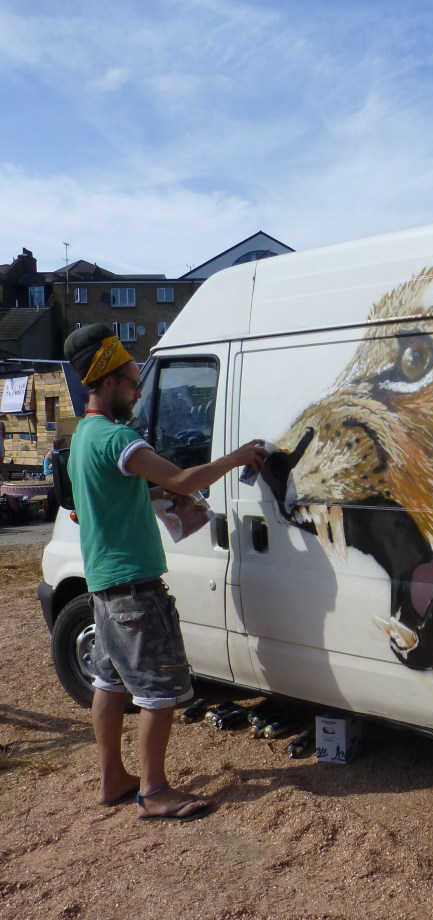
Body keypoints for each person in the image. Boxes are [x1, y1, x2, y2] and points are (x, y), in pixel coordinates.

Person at [63, 324, 267, 821]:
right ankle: (153, 792)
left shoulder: (83, 437)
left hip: (105, 589)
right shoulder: (118, 438)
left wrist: (158, 497)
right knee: (159, 693)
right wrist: (237, 457)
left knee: (109, 684)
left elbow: (99, 504)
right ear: (108, 382)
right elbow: (180, 476)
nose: (138, 392)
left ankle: (113, 777)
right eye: (134, 383)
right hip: (136, 590)